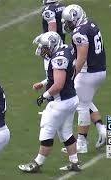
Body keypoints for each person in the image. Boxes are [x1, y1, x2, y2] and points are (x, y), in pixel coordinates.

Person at [18, 32, 81, 172]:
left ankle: (37, 164)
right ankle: (75, 162)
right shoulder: (66, 49)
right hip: (71, 98)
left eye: (44, 47)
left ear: (52, 45)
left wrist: (44, 95)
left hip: (60, 102)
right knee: (66, 133)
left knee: (47, 130)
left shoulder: (58, 59)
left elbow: (58, 84)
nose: (42, 50)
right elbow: (64, 73)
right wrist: (44, 82)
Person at [61, 4, 107, 153]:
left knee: (82, 106)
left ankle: (81, 143)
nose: (67, 24)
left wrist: (73, 74)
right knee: (85, 100)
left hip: (88, 73)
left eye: (69, 21)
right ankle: (102, 130)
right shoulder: (90, 23)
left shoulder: (79, 32)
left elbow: (81, 57)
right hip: (100, 70)